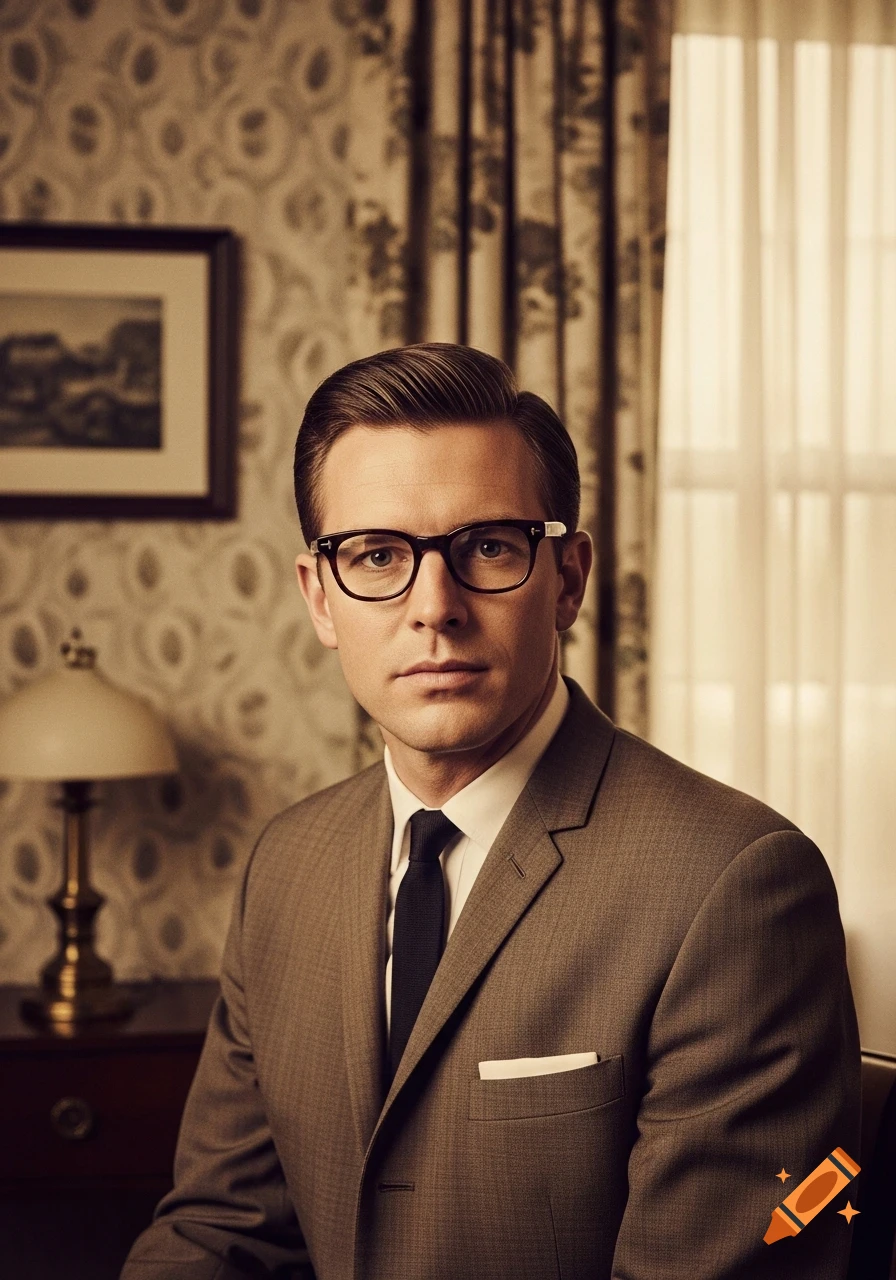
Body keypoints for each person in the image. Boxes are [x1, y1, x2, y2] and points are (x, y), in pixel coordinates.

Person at [122, 343, 860, 1280]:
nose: (435, 607)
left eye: (488, 549)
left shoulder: (738, 885)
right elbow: (216, 1236)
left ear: (568, 580)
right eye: (377, 555)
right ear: (319, 597)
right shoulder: (286, 865)